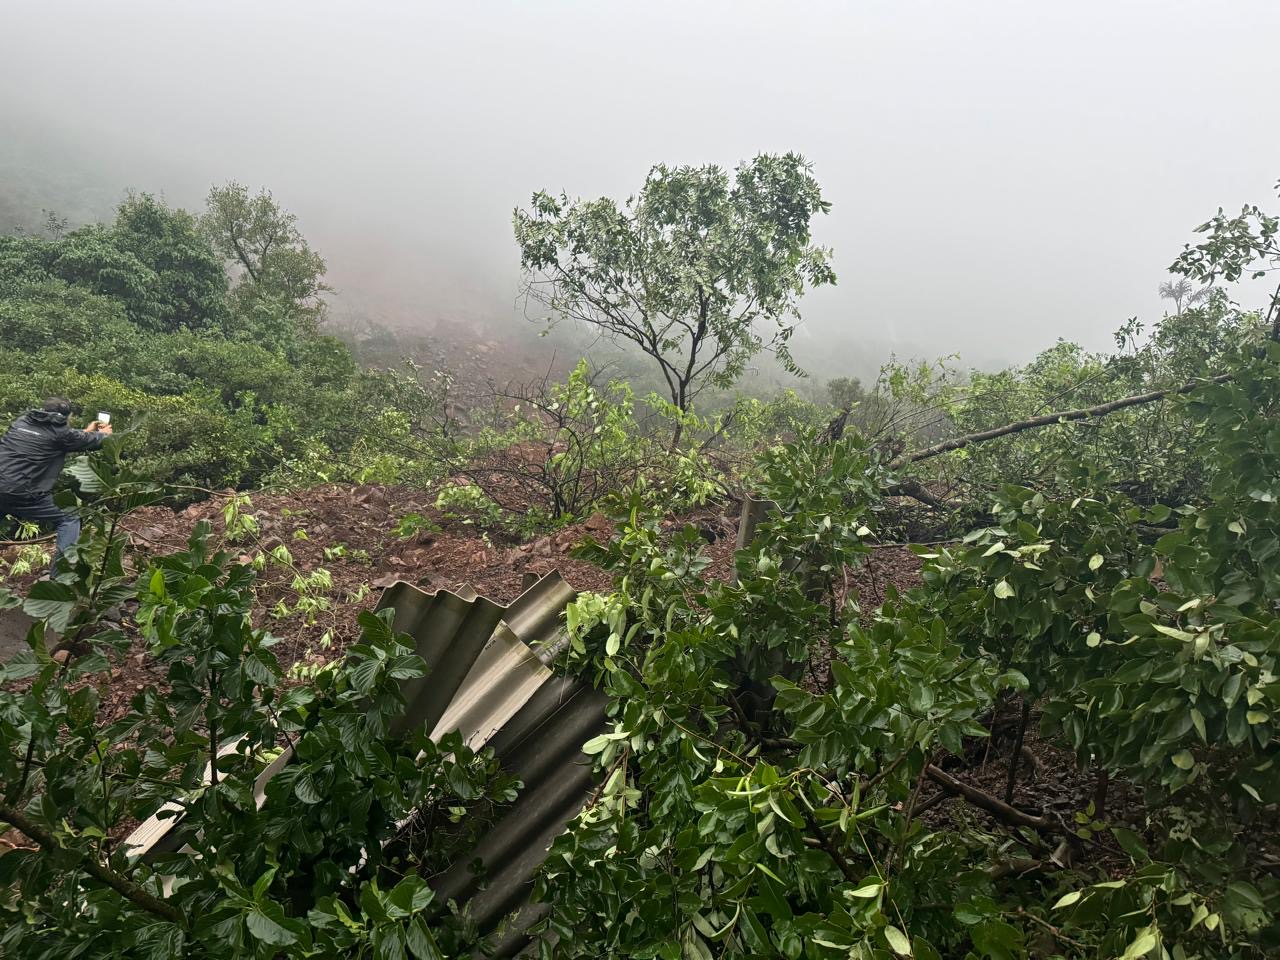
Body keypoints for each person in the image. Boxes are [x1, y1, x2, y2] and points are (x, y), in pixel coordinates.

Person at [0, 398, 113, 576]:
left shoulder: (21, 422)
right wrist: (104, 434)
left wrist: (84, 431)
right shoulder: (61, 434)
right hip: (24, 493)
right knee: (70, 518)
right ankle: (59, 577)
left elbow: (56, 438)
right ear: (67, 416)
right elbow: (87, 441)